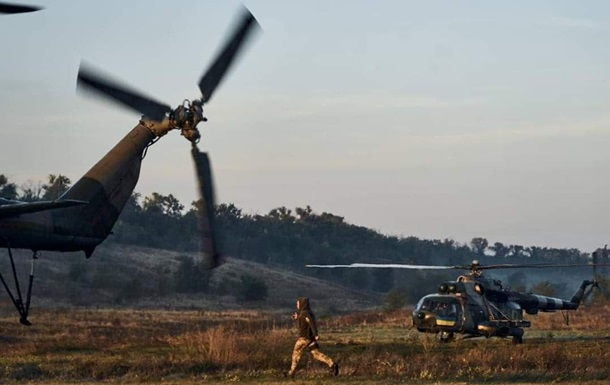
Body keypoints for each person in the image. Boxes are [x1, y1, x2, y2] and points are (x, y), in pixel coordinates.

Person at [285, 297, 338, 378]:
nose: (297, 305)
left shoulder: (305, 313)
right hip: (310, 338)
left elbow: (311, 323)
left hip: (304, 338)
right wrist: (297, 318)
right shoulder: (307, 312)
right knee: (316, 354)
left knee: (295, 353)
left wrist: (316, 334)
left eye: (298, 303)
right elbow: (304, 322)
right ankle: (332, 364)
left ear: (302, 304)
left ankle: (291, 373)